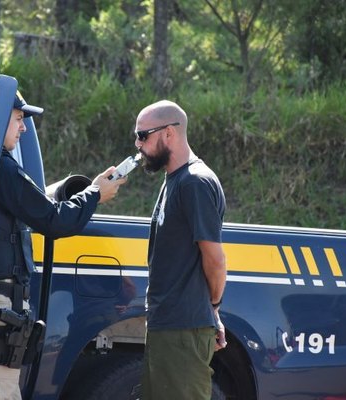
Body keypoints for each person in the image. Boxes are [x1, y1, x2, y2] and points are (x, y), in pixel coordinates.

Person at [0, 92, 126, 400]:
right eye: (18, 119)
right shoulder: (2, 168)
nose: (22, 128)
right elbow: (54, 220)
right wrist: (94, 193)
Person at [134, 100, 227, 400]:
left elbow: (214, 258)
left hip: (183, 331)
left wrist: (212, 307)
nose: (138, 144)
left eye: (143, 135)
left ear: (169, 133)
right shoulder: (174, 180)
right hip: (170, 326)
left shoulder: (195, 183)